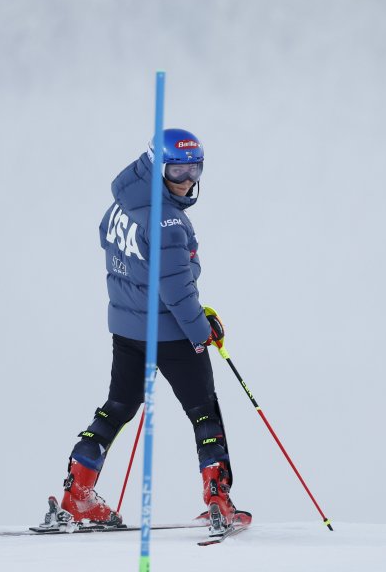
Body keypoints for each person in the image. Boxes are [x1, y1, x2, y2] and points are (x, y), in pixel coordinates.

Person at [50, 128, 239, 532]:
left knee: (118, 406)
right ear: (156, 166)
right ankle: (218, 498)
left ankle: (77, 493)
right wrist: (201, 330)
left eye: (195, 168)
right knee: (203, 408)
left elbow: (112, 243)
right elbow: (174, 288)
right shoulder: (169, 221)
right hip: (170, 333)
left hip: (127, 328)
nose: (187, 179)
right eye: (177, 169)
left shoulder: (124, 202)